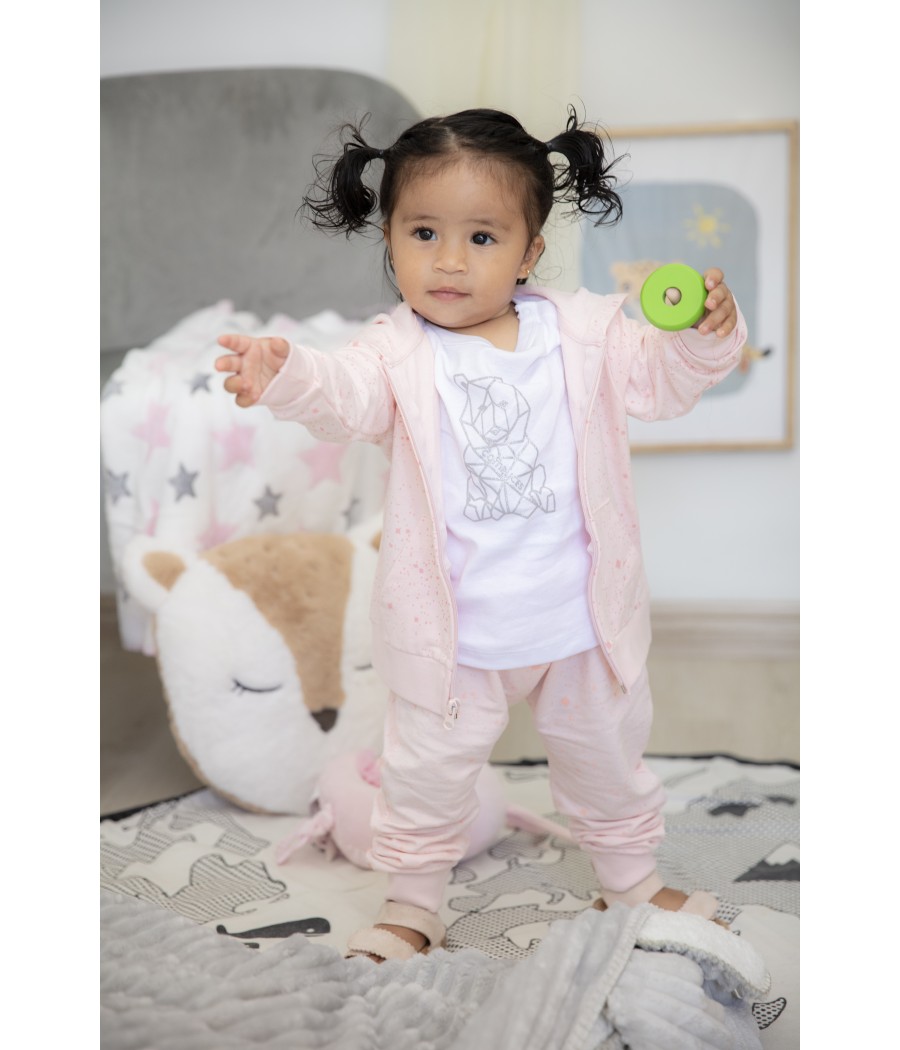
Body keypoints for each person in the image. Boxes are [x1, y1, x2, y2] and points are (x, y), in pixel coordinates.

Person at [216, 107, 746, 962]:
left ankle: (632, 880)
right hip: (454, 636)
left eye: (483, 238)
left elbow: (662, 380)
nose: (450, 261)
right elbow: (343, 394)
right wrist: (287, 372)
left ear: (529, 252)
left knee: (608, 757)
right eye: (424, 232)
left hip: (579, 624)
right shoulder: (393, 353)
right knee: (426, 772)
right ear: (390, 237)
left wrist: (703, 335)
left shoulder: (583, 334)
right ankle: (414, 902)